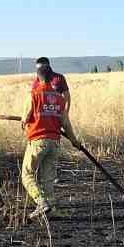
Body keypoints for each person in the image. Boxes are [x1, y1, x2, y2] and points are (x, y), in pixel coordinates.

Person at [21, 60, 78, 219]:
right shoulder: (60, 99)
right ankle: (52, 210)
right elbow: (65, 123)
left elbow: (25, 118)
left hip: (38, 141)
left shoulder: (33, 95)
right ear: (51, 78)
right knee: (48, 178)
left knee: (27, 174)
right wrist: (74, 141)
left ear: (38, 78)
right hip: (55, 143)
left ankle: (41, 202)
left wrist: (25, 123)